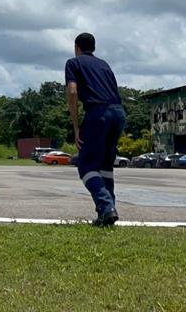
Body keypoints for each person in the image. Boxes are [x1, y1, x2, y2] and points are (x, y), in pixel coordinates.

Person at [65, 32, 125, 227]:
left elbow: (72, 92)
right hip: (118, 113)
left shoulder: (73, 63)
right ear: (94, 48)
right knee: (105, 167)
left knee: (87, 166)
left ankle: (106, 206)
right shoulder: (105, 65)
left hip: (98, 114)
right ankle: (107, 215)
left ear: (77, 47)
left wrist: (76, 125)